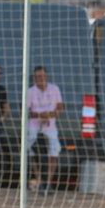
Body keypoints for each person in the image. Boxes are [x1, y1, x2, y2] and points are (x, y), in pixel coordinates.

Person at [27, 65, 64, 195]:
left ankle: (48, 182)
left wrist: (49, 115)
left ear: (46, 76)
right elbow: (26, 112)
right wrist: (39, 116)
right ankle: (39, 181)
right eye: (37, 77)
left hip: (50, 126)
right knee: (33, 153)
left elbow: (60, 107)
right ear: (34, 78)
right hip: (34, 126)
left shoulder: (55, 89)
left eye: (42, 76)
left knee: (53, 152)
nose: (40, 79)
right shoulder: (30, 91)